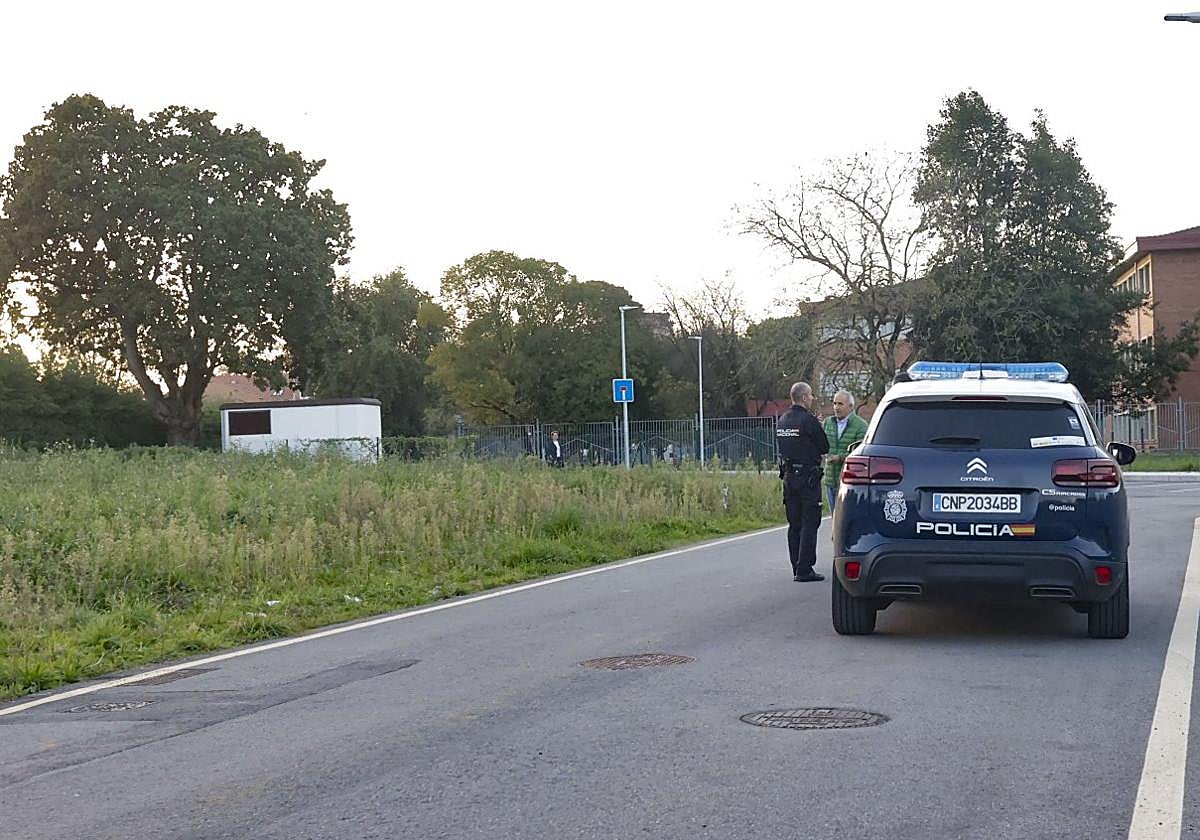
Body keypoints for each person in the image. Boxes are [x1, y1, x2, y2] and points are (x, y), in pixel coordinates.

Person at [776, 381, 830, 582]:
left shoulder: (783, 420)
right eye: (811, 395)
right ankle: (805, 568)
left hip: (789, 478)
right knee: (810, 522)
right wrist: (818, 427)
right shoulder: (808, 420)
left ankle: (795, 565)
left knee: (794, 524)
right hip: (808, 478)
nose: (813, 398)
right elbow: (824, 446)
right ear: (805, 397)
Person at [822, 389, 868, 513]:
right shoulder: (827, 423)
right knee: (834, 517)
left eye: (840, 404)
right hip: (830, 480)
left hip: (849, 482)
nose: (836, 407)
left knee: (847, 517)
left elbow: (860, 453)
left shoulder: (861, 426)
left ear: (850, 406)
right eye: (834, 403)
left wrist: (840, 457)